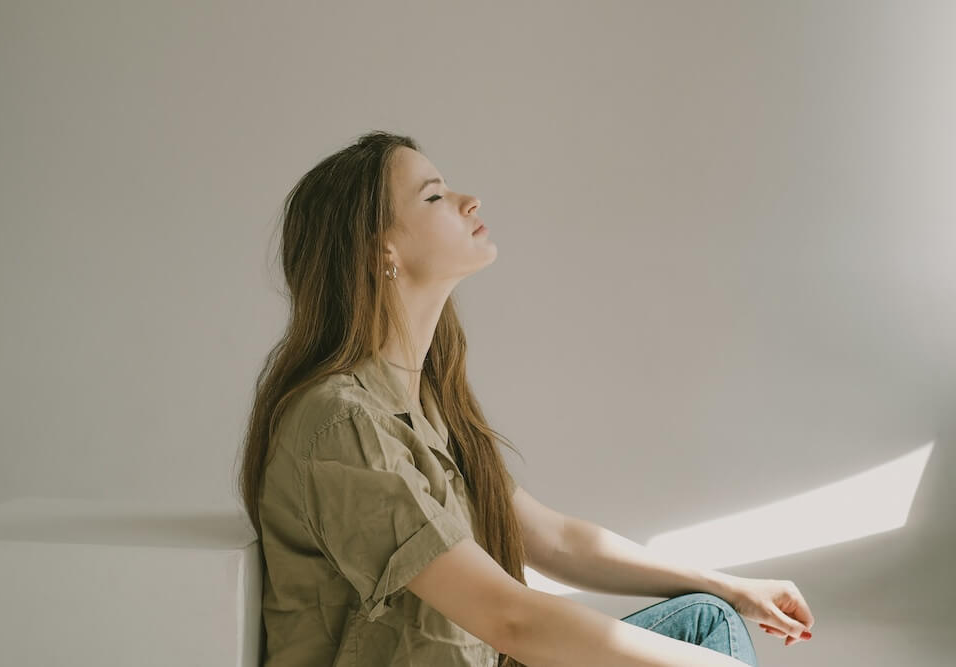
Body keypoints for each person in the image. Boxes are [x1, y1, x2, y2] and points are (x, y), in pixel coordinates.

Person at [236, 130, 813, 666]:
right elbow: (509, 619)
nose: (470, 201)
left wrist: (730, 584)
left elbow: (553, 539)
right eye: (434, 197)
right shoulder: (340, 423)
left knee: (708, 619)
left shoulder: (425, 400)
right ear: (380, 250)